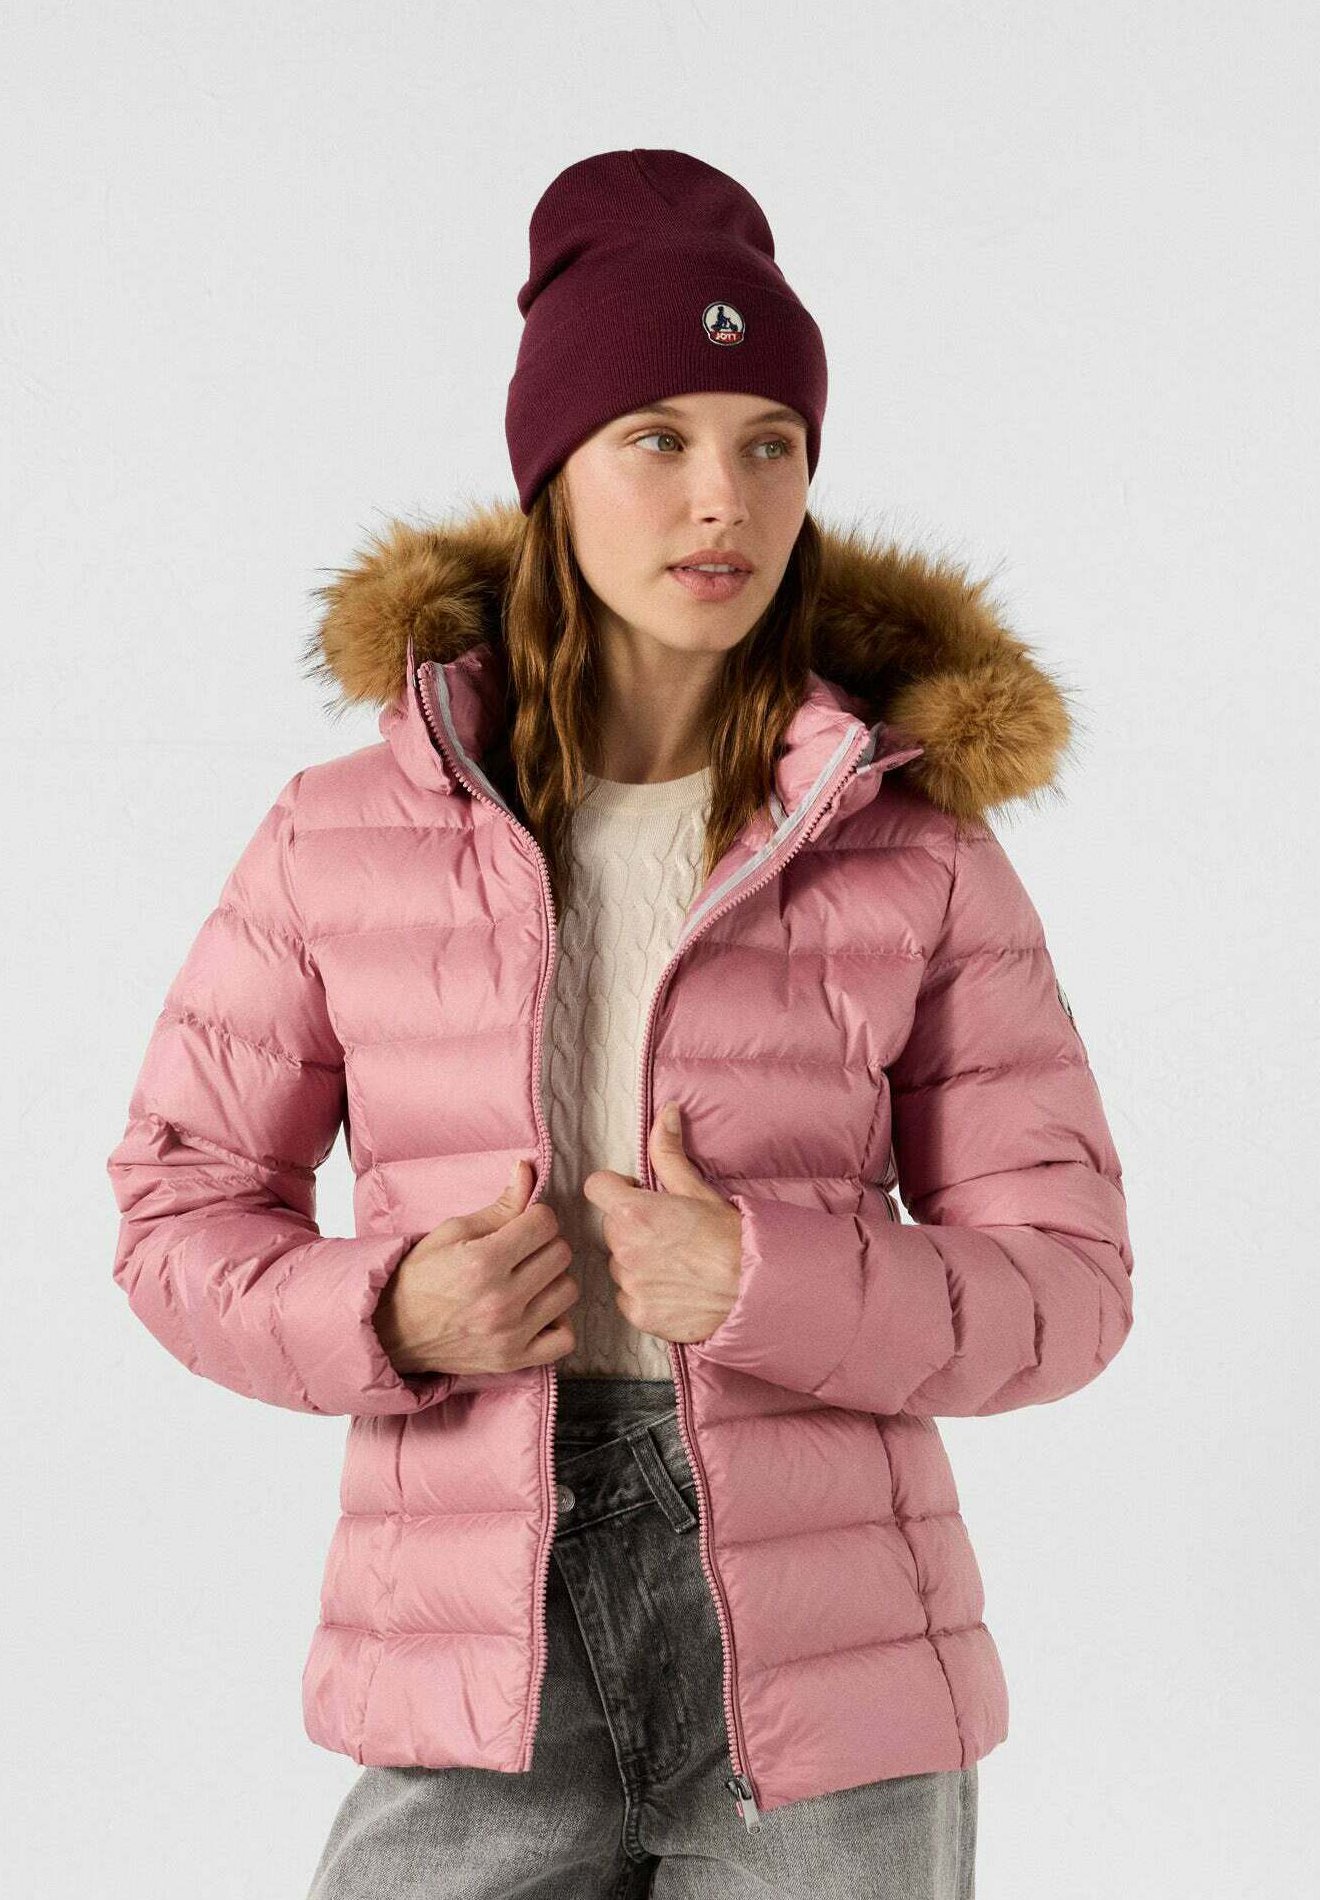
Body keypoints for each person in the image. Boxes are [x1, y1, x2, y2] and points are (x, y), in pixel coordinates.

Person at [105, 148, 1134, 1898]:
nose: (721, 497)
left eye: (770, 442)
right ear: (552, 475)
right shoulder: (339, 834)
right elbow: (175, 1212)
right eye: (657, 437)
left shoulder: (918, 853)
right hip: (472, 1644)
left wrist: (760, 1282)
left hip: (827, 1671)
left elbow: (1072, 1283)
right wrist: (388, 1308)